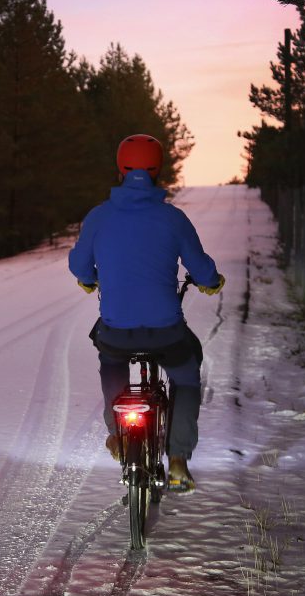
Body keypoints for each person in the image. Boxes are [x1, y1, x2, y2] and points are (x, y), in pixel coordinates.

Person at [68, 133, 224, 493]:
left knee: (111, 359)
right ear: (158, 171)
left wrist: (90, 280)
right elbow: (201, 268)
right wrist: (211, 282)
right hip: (167, 330)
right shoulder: (173, 218)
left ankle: (117, 433)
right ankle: (179, 462)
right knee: (185, 375)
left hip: (117, 330)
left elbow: (80, 266)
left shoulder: (98, 216)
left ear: (120, 169)